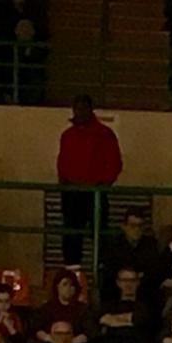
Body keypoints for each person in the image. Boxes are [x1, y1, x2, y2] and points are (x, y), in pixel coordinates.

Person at [56, 96, 123, 266]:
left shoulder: (104, 134)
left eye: (83, 108)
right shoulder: (68, 135)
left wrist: (103, 185)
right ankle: (72, 274)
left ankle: (101, 273)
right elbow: (62, 163)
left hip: (95, 192)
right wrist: (64, 186)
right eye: (76, 108)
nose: (79, 112)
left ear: (90, 109)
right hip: (72, 192)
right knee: (71, 238)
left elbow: (114, 163)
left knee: (99, 237)